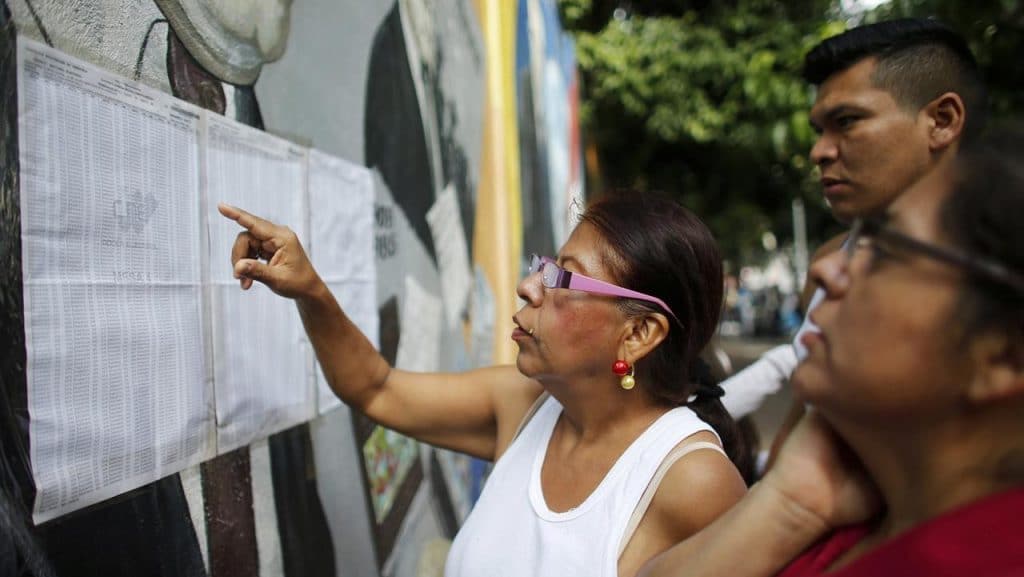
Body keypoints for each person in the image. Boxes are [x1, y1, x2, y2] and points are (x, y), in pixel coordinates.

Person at [219, 190, 749, 577]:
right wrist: (310, 289)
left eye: (562, 278)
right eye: (544, 266)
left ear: (637, 334)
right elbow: (376, 389)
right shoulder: (524, 405)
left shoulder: (691, 482)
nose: (527, 286)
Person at [639, 125, 1024, 577]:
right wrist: (790, 501)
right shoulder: (845, 517)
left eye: (886, 252)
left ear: (1004, 356)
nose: (824, 270)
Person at [720, 18, 987, 446]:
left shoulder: (1002, 277)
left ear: (942, 120)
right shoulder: (828, 266)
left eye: (847, 121)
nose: (819, 151)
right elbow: (807, 427)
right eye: (819, 130)